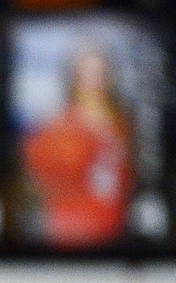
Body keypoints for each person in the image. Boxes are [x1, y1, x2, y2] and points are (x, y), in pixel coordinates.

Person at [22, 46, 134, 249]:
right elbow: (37, 175)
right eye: (88, 72)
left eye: (100, 72)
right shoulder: (58, 126)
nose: (95, 80)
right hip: (73, 232)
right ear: (74, 77)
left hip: (117, 229)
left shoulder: (123, 124)